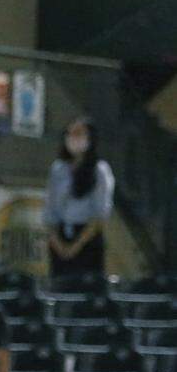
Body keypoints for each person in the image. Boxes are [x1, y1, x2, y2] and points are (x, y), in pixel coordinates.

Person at [43, 119, 114, 278]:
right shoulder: (58, 168)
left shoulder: (99, 170)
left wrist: (75, 246)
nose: (73, 138)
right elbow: (50, 208)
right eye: (70, 134)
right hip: (59, 236)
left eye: (79, 134)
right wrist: (57, 242)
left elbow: (100, 215)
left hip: (86, 238)